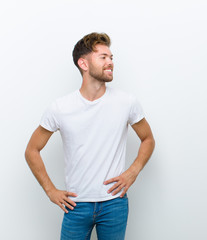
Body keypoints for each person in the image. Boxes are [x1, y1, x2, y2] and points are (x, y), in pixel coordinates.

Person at [24, 32, 155, 240]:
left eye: (111, 57)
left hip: (114, 204)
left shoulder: (127, 102)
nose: (110, 62)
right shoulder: (60, 108)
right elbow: (32, 150)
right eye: (103, 57)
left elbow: (148, 139)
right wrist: (50, 191)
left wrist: (133, 171)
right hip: (76, 204)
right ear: (83, 64)